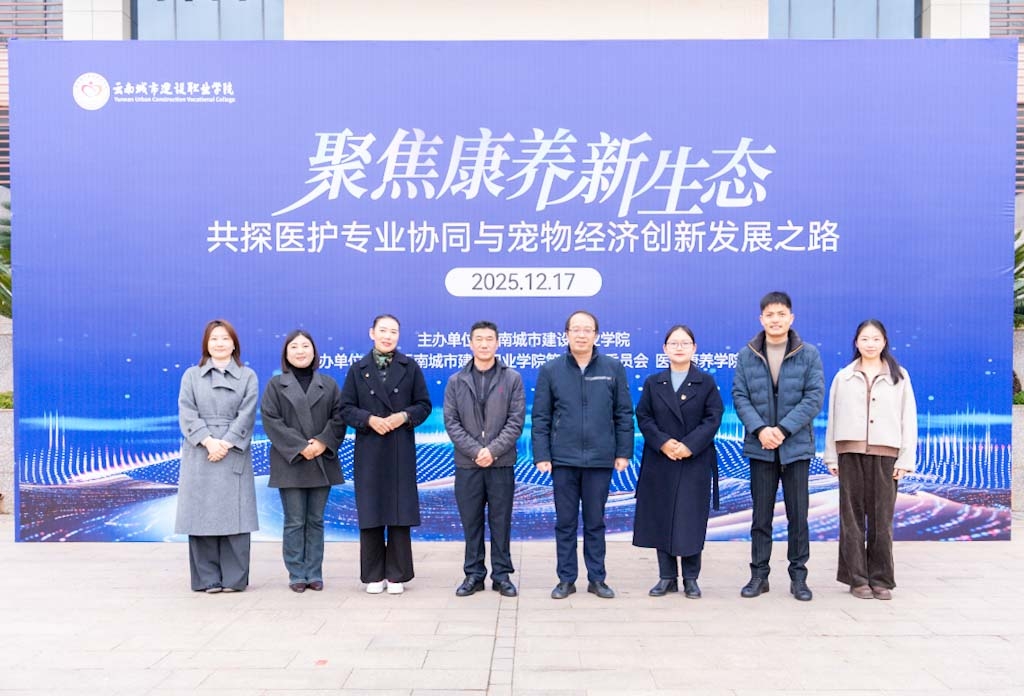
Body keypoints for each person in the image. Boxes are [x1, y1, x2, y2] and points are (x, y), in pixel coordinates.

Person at [532, 310, 635, 600]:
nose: (581, 334)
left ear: (596, 335)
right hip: (563, 460)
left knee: (595, 522)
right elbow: (541, 416)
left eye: (587, 329)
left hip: (600, 459)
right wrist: (542, 454)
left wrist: (623, 452)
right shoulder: (551, 370)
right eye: (575, 329)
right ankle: (566, 579)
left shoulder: (613, 367)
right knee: (565, 523)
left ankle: (597, 579)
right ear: (566, 334)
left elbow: (623, 413)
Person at [733, 291, 824, 602]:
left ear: (791, 318)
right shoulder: (747, 355)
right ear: (761, 319)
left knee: (798, 516)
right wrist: (761, 430)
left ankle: (799, 578)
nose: (775, 320)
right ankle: (759, 575)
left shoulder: (808, 354)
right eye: (770, 315)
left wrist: (782, 430)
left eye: (781, 314)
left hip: (795, 448)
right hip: (761, 447)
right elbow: (740, 397)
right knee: (761, 517)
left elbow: (813, 398)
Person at [824, 319, 917, 600]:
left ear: (885, 342)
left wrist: (905, 459)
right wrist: (831, 456)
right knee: (851, 519)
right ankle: (856, 578)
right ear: (856, 342)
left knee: (881, 520)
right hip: (849, 454)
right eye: (865, 339)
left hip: (886, 455)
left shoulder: (899, 376)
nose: (870, 344)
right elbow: (832, 418)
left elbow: (908, 418)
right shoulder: (844, 376)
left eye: (876, 339)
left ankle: (881, 579)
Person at [340, 314, 432, 595]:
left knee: (398, 510)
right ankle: (373, 574)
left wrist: (403, 416)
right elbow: (345, 408)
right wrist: (368, 419)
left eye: (393, 331)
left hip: (398, 447)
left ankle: (396, 574)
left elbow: (424, 405)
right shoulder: (358, 369)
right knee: (371, 510)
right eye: (383, 330)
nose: (388, 336)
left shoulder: (410, 366)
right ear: (372, 333)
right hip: (369, 448)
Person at [632, 325, 724, 599]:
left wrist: (689, 446)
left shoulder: (705, 382)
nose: (679, 347)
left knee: (690, 518)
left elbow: (713, 418)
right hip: (661, 459)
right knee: (662, 517)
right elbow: (644, 416)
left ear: (694, 348)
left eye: (685, 343)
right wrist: (664, 443)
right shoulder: (654, 382)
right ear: (665, 349)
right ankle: (667, 577)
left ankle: (691, 578)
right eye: (674, 343)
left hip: (694, 460)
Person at [175, 319, 259, 593]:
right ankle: (207, 578)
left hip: (233, 450)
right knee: (201, 516)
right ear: (206, 344)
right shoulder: (191, 375)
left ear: (234, 344)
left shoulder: (247, 376)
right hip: (201, 450)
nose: (219, 343)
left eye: (225, 338)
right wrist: (208, 441)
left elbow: (247, 413)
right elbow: (187, 411)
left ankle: (234, 579)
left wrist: (226, 442)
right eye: (214, 339)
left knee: (236, 517)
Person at [443, 320, 526, 598]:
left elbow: (516, 421)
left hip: (501, 462)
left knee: (501, 521)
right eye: (479, 339)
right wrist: (475, 451)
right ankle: (474, 574)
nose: (484, 344)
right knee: (472, 521)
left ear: (497, 343)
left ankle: (501, 575)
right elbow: (451, 422)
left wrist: (492, 450)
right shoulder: (456, 381)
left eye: (489, 339)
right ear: (470, 344)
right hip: (468, 464)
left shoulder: (512, 378)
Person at [262, 330, 346, 593]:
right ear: (286, 353)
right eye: (294, 346)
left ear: (314, 351)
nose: (300, 351)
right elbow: (271, 420)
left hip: (321, 459)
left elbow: (339, 418)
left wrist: (321, 442)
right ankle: (297, 573)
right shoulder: (276, 385)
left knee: (316, 520)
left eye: (305, 346)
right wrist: (300, 447)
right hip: (291, 462)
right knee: (295, 521)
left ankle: (314, 572)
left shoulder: (329, 384)